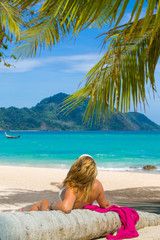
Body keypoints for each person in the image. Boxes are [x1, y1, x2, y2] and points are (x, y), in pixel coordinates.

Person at [21, 154, 113, 213]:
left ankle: (23, 215)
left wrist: (51, 205)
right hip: (81, 212)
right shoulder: (97, 185)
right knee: (41, 205)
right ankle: (24, 214)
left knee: (43, 202)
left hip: (66, 215)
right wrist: (117, 207)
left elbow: (66, 207)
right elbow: (105, 205)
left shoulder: (73, 184)